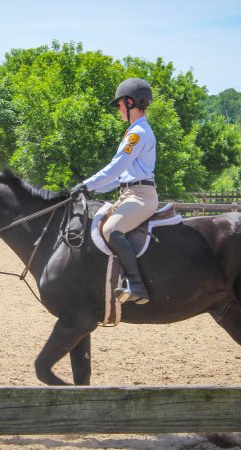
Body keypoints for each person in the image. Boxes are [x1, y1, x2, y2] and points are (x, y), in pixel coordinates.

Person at [70, 78, 158, 305]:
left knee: (111, 228)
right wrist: (92, 191)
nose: (118, 109)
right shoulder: (135, 131)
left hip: (141, 196)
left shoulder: (137, 133)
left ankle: (137, 286)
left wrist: (86, 185)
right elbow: (120, 177)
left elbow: (116, 166)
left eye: (120, 104)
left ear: (130, 103)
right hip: (129, 193)